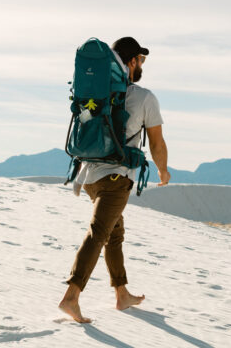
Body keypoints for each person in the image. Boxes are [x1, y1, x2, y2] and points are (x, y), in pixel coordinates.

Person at [58, 36, 171, 323]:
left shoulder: (102, 94)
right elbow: (156, 143)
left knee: (114, 232)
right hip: (116, 177)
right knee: (99, 233)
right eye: (141, 60)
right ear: (131, 62)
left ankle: (121, 293)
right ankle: (71, 296)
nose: (142, 65)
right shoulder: (145, 97)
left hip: (89, 176)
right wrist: (163, 170)